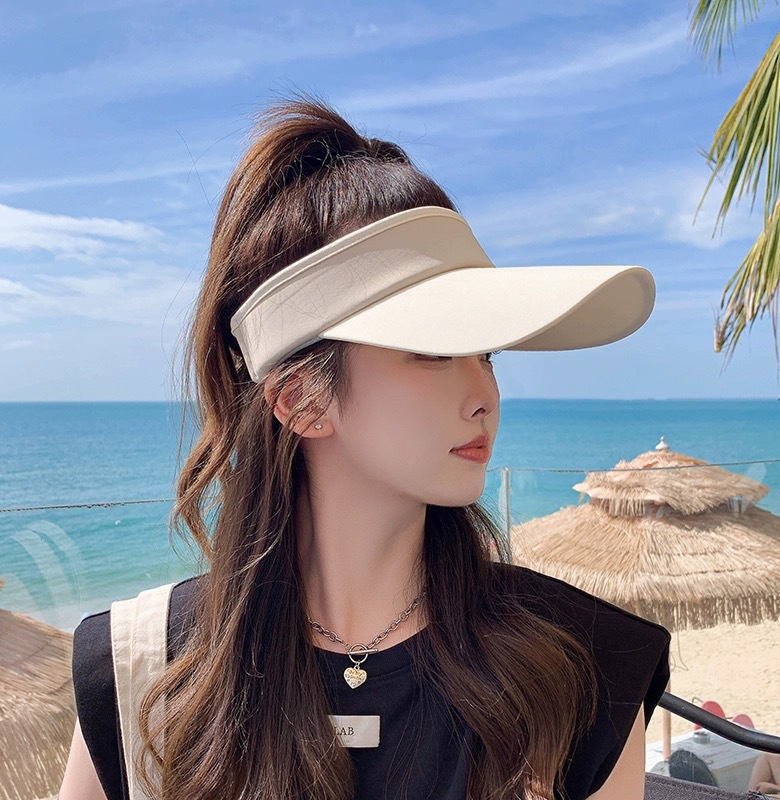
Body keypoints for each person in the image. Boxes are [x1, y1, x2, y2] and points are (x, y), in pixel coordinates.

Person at [59, 99, 669, 800]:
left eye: (487, 353)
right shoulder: (140, 672)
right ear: (301, 400)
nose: (485, 396)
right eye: (435, 350)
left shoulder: (580, 668)